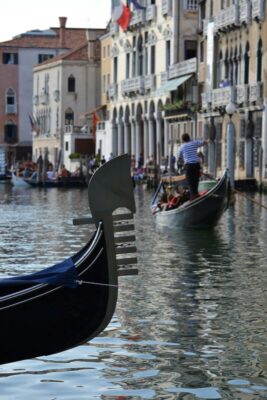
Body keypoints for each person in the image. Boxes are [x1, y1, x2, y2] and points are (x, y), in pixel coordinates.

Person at [177, 133, 207, 200]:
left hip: (189, 166)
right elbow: (204, 142)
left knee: (190, 182)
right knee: (196, 181)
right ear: (189, 138)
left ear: (183, 140)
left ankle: (193, 198)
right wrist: (208, 141)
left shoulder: (182, 147)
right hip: (196, 165)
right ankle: (196, 196)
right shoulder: (194, 143)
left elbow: (179, 156)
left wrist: (183, 159)